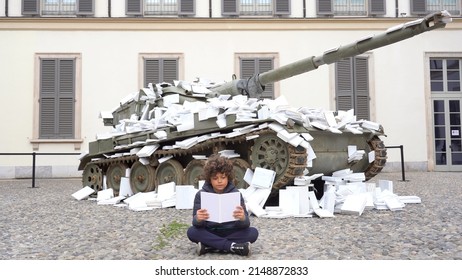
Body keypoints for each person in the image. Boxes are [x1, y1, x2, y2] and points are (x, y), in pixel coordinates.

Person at [186, 154, 258, 256]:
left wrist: (242, 218)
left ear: (228, 177)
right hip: (210, 231)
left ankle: (210, 246)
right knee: (192, 232)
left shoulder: (236, 194)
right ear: (209, 179)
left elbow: (246, 224)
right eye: (215, 178)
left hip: (231, 232)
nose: (219, 181)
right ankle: (233, 247)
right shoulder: (201, 195)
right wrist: (198, 218)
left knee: (253, 233)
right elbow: (196, 223)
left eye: (223, 177)